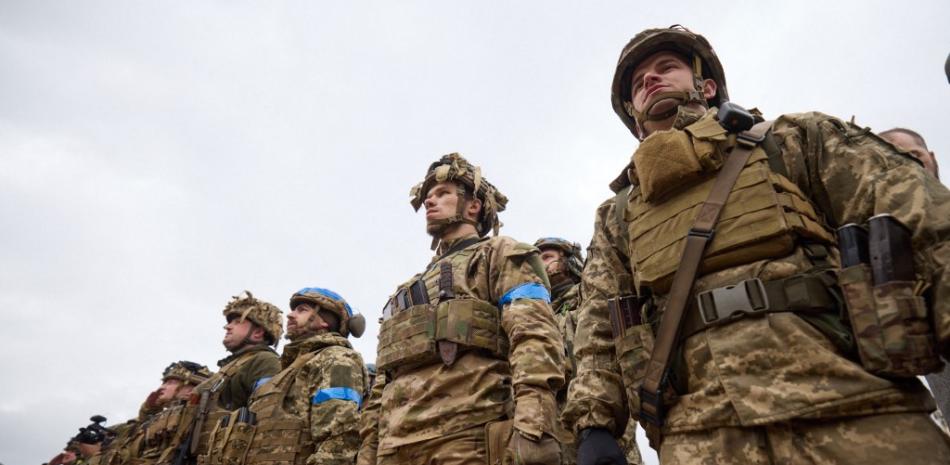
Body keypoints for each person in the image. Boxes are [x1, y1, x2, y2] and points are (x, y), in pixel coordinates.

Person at [562, 25, 950, 465]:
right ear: (635, 118)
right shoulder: (617, 216)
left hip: (851, 404)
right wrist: (595, 424)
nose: (650, 79)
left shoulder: (793, 140)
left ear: (706, 87)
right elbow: (598, 324)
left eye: (666, 67)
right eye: (638, 82)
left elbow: (925, 222)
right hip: (700, 434)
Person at [358, 153, 565, 465]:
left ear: (473, 206)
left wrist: (534, 423)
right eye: (428, 196)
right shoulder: (405, 291)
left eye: (443, 194)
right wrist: (367, 453)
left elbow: (534, 336)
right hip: (395, 446)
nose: (430, 202)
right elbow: (382, 384)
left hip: (468, 436)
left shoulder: (499, 254)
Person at [208, 287, 367, 465]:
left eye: (302, 310)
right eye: (293, 309)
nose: (290, 315)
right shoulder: (287, 370)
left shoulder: (336, 359)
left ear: (325, 321)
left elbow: (339, 441)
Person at [182, 291, 283, 464]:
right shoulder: (227, 369)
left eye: (237, 322)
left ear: (258, 332)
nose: (227, 327)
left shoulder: (265, 361)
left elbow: (266, 415)